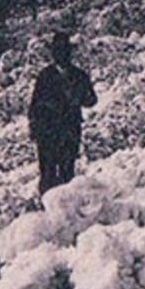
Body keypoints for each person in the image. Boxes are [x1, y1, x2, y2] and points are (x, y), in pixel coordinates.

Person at [28, 32, 98, 195]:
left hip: (69, 130)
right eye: (57, 50)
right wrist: (34, 127)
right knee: (48, 172)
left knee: (68, 172)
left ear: (69, 52)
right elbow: (34, 105)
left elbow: (92, 100)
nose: (61, 54)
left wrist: (79, 97)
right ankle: (47, 209)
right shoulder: (45, 76)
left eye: (64, 50)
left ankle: (68, 210)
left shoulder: (79, 75)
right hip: (48, 132)